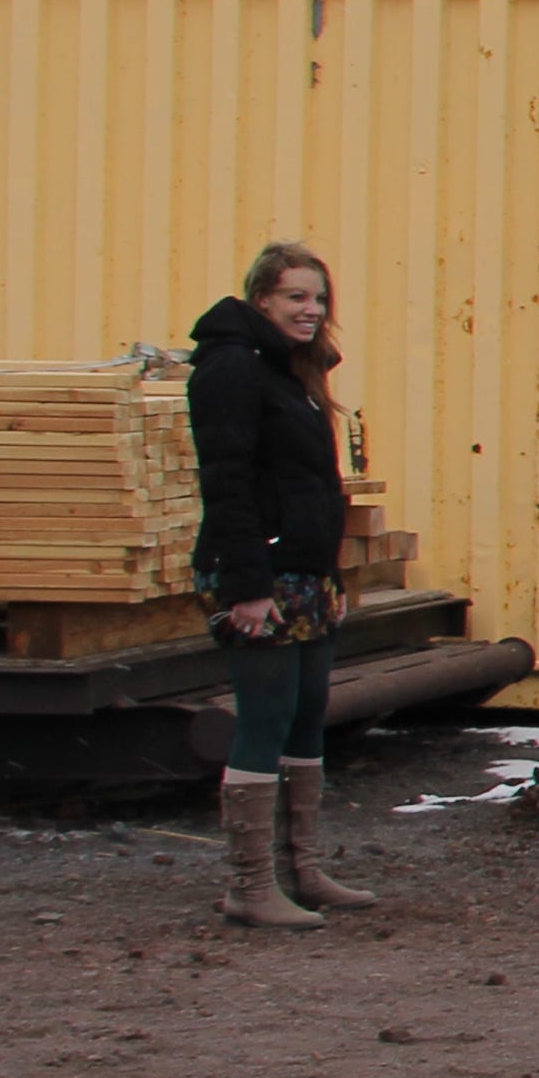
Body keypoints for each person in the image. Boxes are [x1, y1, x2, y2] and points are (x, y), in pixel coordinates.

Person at [184, 239, 373, 929]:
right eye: (295, 296)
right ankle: (250, 884)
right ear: (260, 298)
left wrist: (330, 574)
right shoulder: (230, 370)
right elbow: (226, 483)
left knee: (306, 711)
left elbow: (311, 484)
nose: (311, 310)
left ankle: (302, 868)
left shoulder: (290, 370)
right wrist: (246, 586)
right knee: (263, 718)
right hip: (260, 576)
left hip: (303, 575)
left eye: (319, 298)